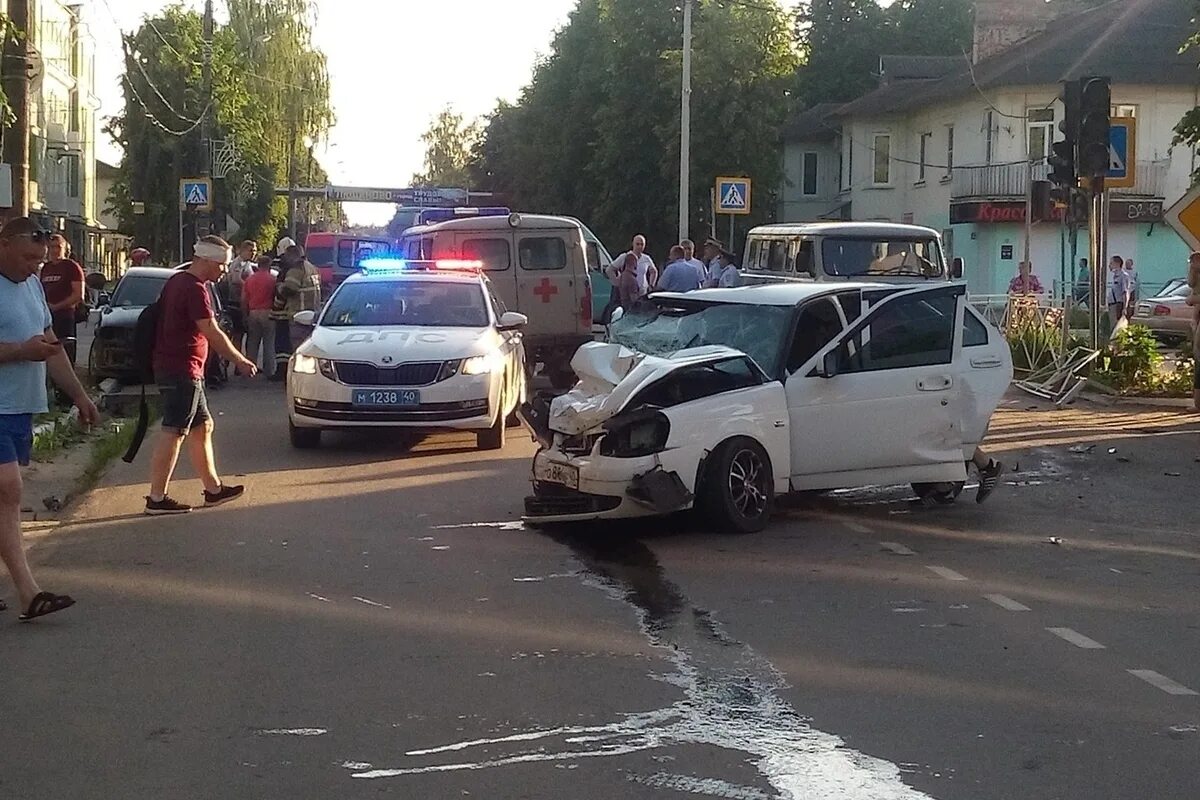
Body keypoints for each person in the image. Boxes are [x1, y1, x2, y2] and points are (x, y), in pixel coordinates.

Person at [0, 217, 98, 620]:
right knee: (9, 489)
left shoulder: (34, 286)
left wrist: (80, 396)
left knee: (4, 499)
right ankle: (29, 592)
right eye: (28, 258)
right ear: (4, 243)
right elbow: (30, 347)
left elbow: (52, 348)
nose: (34, 266)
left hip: (19, 406)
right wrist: (22, 350)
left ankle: (26, 593)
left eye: (39, 260)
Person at [145, 236, 257, 515]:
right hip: (181, 369)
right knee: (174, 431)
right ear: (206, 260)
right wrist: (239, 359)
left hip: (181, 367)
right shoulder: (195, 288)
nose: (223, 271)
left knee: (202, 427)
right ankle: (156, 498)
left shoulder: (176, 281)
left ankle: (213, 490)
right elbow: (210, 329)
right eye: (221, 264)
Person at [269, 244, 321, 380]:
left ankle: (295, 377)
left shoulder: (296, 269)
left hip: (297, 314)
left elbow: (289, 289)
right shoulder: (311, 267)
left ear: (292, 256)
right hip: (312, 313)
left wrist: (279, 287)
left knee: (296, 348)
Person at [39, 233, 85, 365]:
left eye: (58, 247)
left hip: (65, 317)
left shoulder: (71, 267)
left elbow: (78, 295)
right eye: (51, 247)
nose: (54, 250)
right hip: (47, 318)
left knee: (65, 354)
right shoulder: (45, 269)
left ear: (65, 249)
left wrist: (56, 306)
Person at [242, 255, 277, 377]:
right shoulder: (272, 279)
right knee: (269, 342)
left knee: (252, 342)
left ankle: (249, 369)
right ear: (269, 265)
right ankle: (269, 371)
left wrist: (245, 314)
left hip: (253, 312)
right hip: (268, 312)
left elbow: (244, 299)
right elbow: (276, 297)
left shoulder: (250, 279)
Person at [225, 240, 258, 350]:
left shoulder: (247, 264)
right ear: (242, 251)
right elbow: (235, 279)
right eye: (250, 251)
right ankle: (234, 362)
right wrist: (250, 287)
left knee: (243, 334)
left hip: (244, 302)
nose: (253, 253)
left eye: (254, 251)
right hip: (236, 303)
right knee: (237, 335)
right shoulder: (238, 263)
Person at [1186, 251, 1200, 411]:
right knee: (1197, 355)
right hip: (1197, 315)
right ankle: (1197, 404)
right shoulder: (1195, 274)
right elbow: (1190, 283)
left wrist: (1192, 300)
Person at [1106, 255, 1129, 334]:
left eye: (1111, 263)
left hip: (1117, 305)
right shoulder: (1114, 276)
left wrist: (1125, 307)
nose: (1109, 265)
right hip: (1112, 304)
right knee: (1112, 326)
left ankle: (1116, 345)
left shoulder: (1123, 276)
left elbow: (1125, 292)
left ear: (1117, 263)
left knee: (1116, 328)